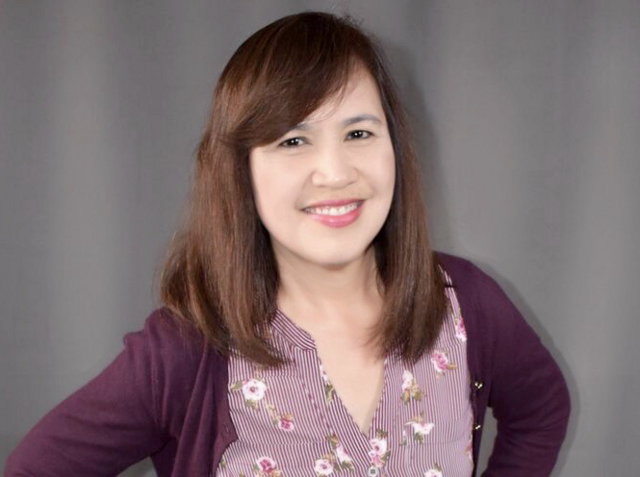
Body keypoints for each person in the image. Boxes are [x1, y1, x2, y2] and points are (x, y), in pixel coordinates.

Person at [5, 11, 570, 477]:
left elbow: (542, 408)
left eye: (358, 133)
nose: (335, 172)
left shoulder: (464, 303)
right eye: (293, 140)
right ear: (240, 170)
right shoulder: (186, 351)